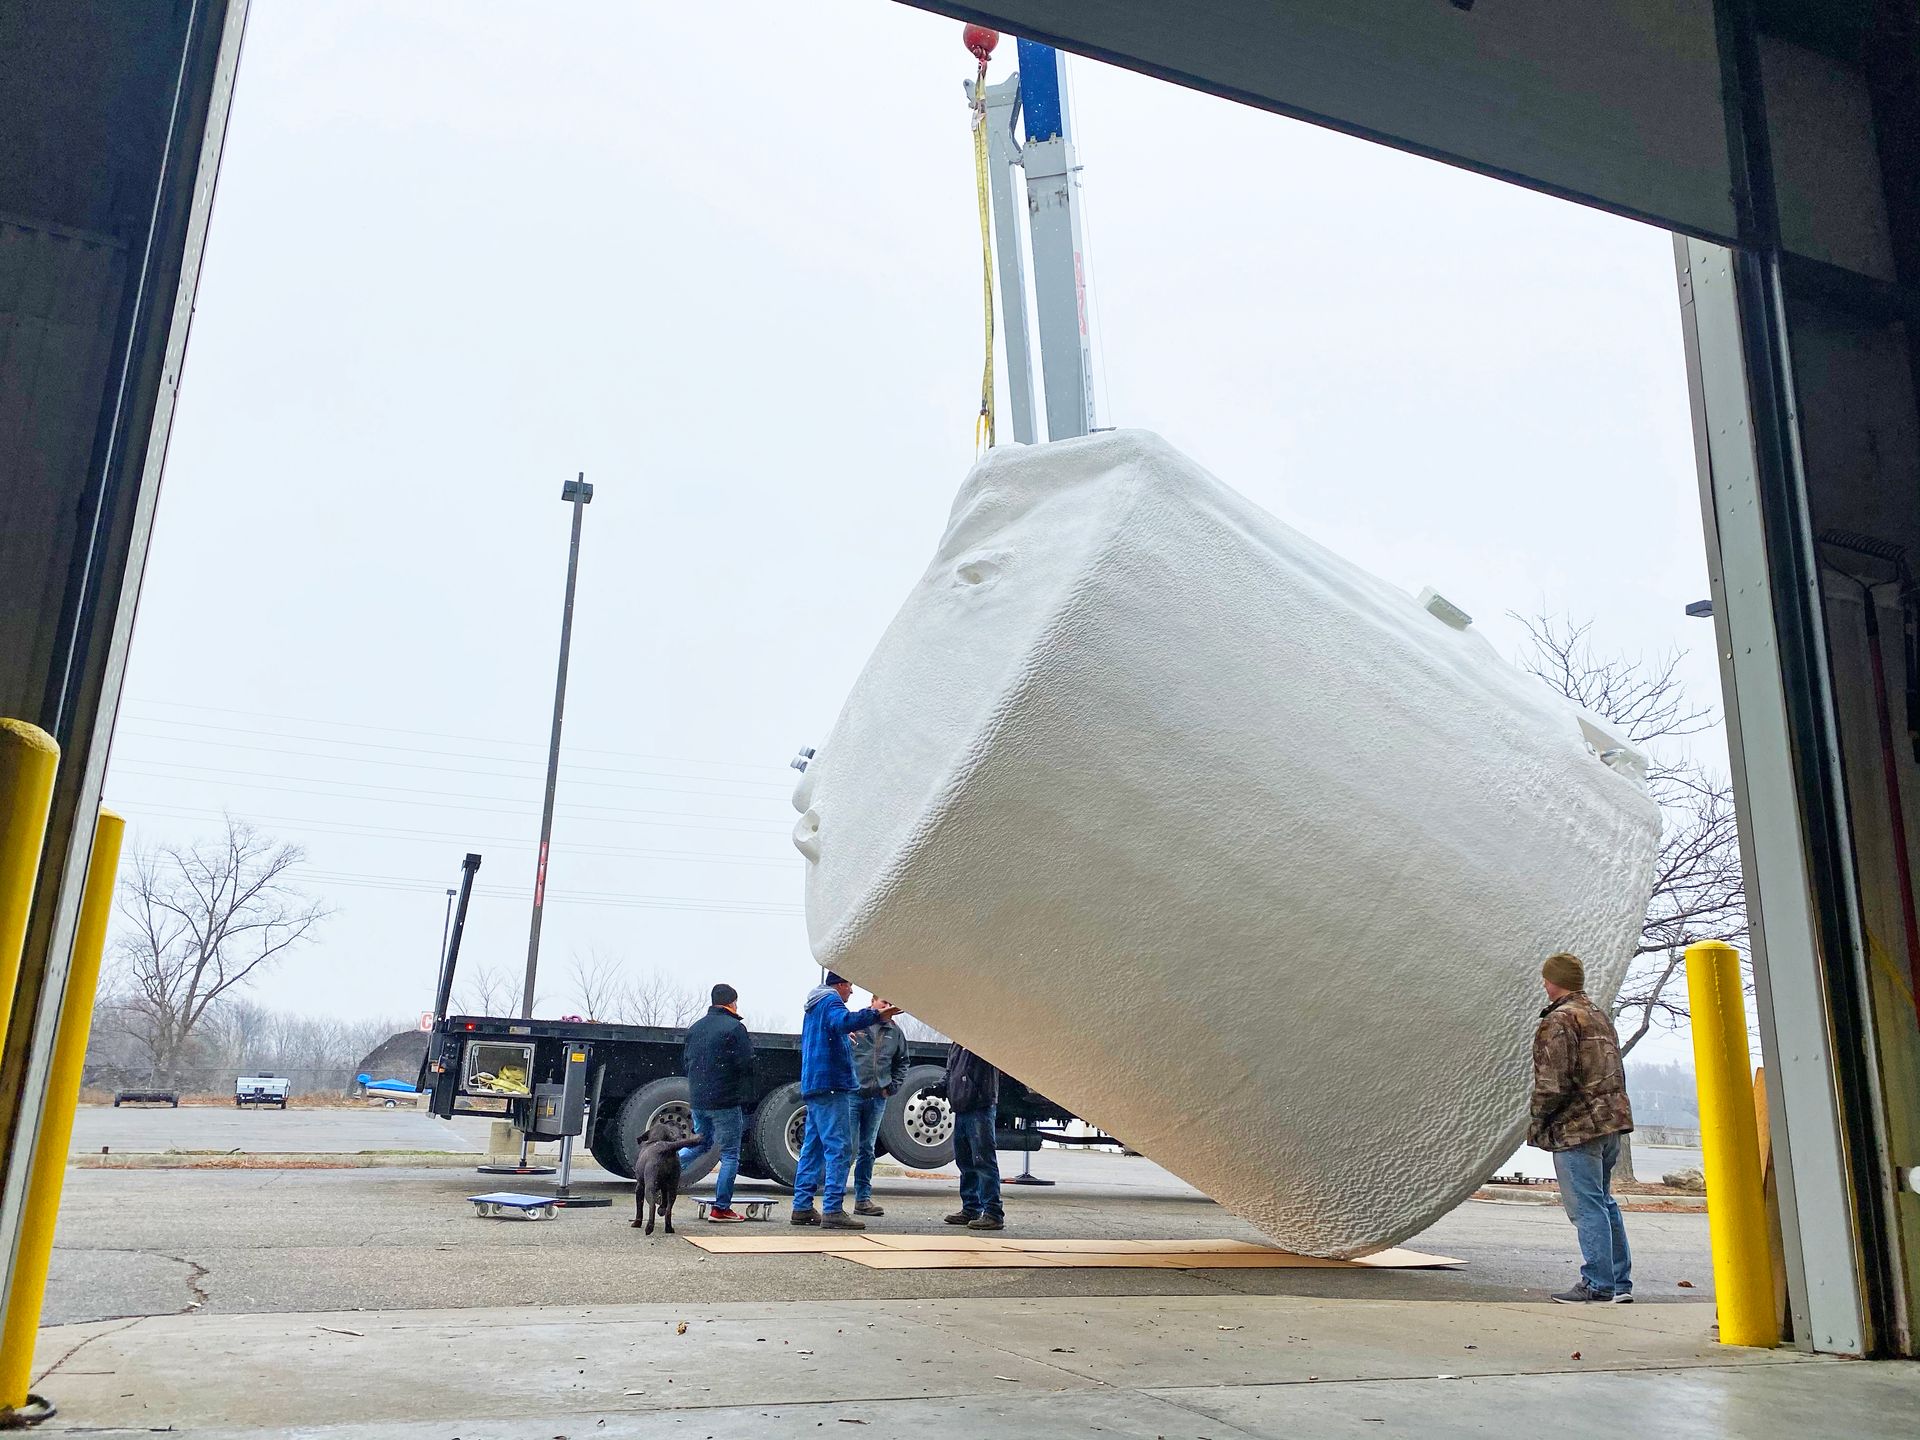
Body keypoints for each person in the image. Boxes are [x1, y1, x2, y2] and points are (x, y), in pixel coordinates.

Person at [1530, 951, 1635, 1303]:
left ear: (1553, 981)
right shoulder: (1598, 1015)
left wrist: (1538, 1118)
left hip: (1577, 1128)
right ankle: (1619, 1283)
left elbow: (1553, 1080)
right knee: (1604, 1202)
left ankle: (1598, 1284)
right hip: (1609, 1123)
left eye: (1546, 978)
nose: (1543, 983)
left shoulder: (1559, 1021)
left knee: (1586, 1207)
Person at [794, 972, 901, 1230]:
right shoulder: (831, 1001)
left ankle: (802, 1206)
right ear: (840, 985)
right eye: (850, 986)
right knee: (840, 1148)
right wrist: (877, 1015)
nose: (851, 992)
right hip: (833, 1084)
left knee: (813, 1148)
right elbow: (842, 1020)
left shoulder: (814, 1005)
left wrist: (843, 1037)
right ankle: (832, 1210)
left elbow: (833, 1029)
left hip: (815, 1084)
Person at [679, 983, 755, 1224]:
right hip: (725, 1102)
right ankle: (721, 1208)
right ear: (732, 1002)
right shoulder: (735, 1028)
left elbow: (687, 1062)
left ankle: (661, 1172)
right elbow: (746, 1064)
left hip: (699, 1101)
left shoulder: (695, 1028)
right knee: (730, 1154)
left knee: (700, 1145)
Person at [848, 995, 910, 1217]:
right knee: (846, 1147)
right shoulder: (857, 1022)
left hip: (877, 1097)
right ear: (873, 1001)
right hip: (853, 1095)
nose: (887, 1006)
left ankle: (862, 1199)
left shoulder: (895, 1031)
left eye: (891, 1003)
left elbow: (903, 1061)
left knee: (867, 1149)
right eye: (883, 1002)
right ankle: (833, 1200)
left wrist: (892, 1086)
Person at [942, 1043, 1004, 1231]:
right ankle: (971, 1207)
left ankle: (993, 1212)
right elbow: (951, 1072)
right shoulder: (956, 1045)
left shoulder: (982, 1041)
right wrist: (940, 1087)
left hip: (979, 1105)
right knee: (966, 1160)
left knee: (983, 1160)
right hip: (963, 1105)